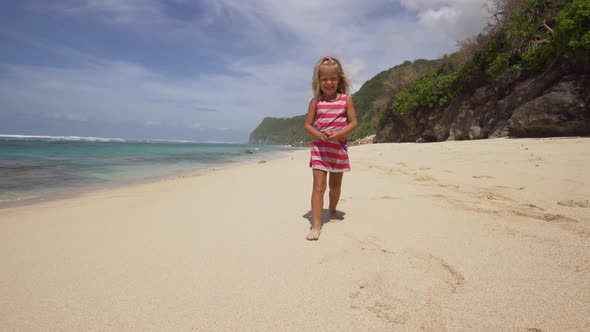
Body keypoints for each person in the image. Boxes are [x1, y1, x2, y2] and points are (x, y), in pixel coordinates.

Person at [304, 55, 358, 241]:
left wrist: (340, 134)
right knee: (319, 187)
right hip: (319, 149)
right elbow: (308, 125)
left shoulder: (345, 100)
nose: (329, 82)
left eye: (333, 78)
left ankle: (333, 209)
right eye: (324, 79)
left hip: (338, 150)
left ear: (339, 79)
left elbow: (353, 123)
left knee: (335, 187)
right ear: (318, 81)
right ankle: (316, 225)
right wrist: (318, 134)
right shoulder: (315, 102)